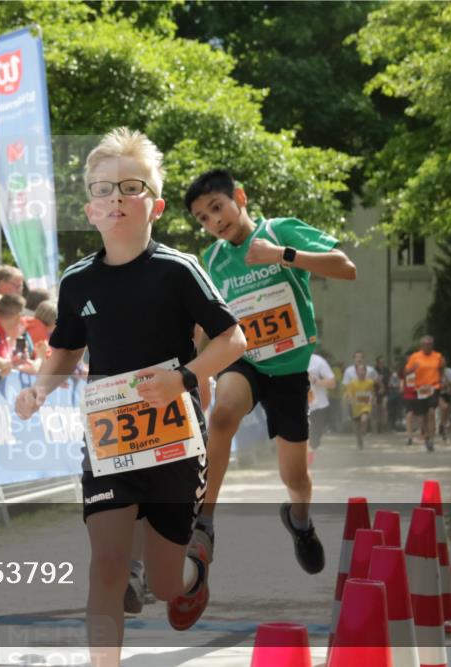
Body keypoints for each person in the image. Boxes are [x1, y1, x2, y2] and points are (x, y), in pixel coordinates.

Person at [15, 129, 246, 666]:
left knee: (166, 586)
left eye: (131, 186)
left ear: (156, 205)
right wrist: (39, 390)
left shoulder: (179, 270)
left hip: (173, 443)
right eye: (104, 189)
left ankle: (195, 565)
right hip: (110, 443)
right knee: (108, 566)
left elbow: (234, 338)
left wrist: (185, 379)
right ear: (90, 209)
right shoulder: (76, 283)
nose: (116, 196)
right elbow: (67, 350)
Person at [185, 168, 356, 575]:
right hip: (245, 360)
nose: (214, 221)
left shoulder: (279, 231)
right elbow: (204, 326)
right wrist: (200, 372)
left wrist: (282, 256)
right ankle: (204, 522)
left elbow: (346, 268)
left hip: (291, 369)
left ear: (239, 197)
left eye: (216, 207)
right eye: (203, 219)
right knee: (222, 415)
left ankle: (300, 521)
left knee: (294, 476)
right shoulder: (212, 260)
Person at [404, 335, 445, 452]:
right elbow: (406, 372)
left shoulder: (437, 356)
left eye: (430, 344)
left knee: (431, 412)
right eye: (425, 345)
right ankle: (426, 435)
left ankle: (431, 439)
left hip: (434, 387)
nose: (427, 347)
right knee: (423, 415)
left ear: (432, 345)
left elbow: (442, 367)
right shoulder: (415, 357)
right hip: (420, 389)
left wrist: (441, 379)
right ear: (421, 346)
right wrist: (412, 369)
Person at [307, 351, 336, 452]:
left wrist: (315, 381)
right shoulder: (289, 360)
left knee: (314, 440)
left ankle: (310, 457)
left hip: (318, 406)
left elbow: (332, 383)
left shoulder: (318, 361)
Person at [345, 364, 375, 449]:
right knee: (356, 428)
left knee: (364, 420)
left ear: (366, 372)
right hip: (355, 408)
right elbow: (349, 393)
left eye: (363, 370)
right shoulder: (352, 383)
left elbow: (372, 393)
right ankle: (359, 440)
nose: (361, 372)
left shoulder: (370, 382)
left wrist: (373, 400)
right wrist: (350, 399)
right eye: (359, 370)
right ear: (356, 372)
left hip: (366, 406)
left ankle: (364, 432)